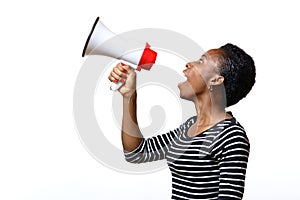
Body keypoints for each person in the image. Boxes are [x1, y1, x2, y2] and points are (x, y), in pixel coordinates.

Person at [108, 43, 256, 199]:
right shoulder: (188, 128)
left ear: (216, 80)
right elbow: (136, 153)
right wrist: (129, 96)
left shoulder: (231, 136)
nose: (189, 63)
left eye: (201, 61)